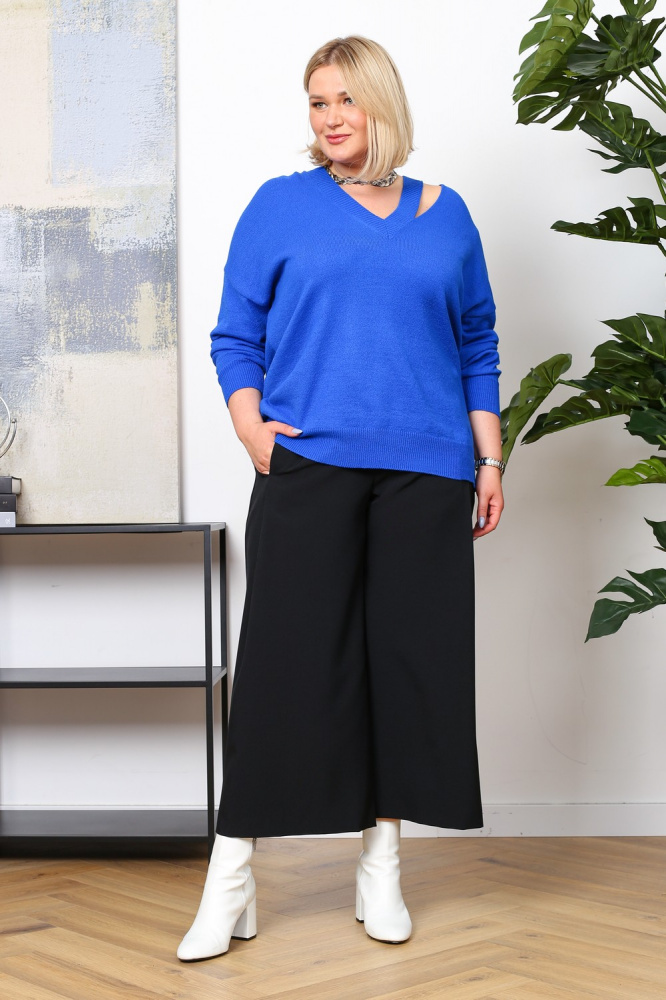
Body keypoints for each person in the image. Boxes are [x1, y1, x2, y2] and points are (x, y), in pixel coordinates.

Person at [177, 34, 503, 962]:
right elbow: (236, 334)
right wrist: (252, 430)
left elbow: (477, 341)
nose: (329, 118)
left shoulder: (448, 215)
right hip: (308, 461)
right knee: (283, 666)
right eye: (317, 102)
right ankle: (231, 877)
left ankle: (381, 866)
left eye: (345, 100)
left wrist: (489, 460)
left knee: (406, 667)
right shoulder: (280, 206)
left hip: (428, 471)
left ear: (381, 104)